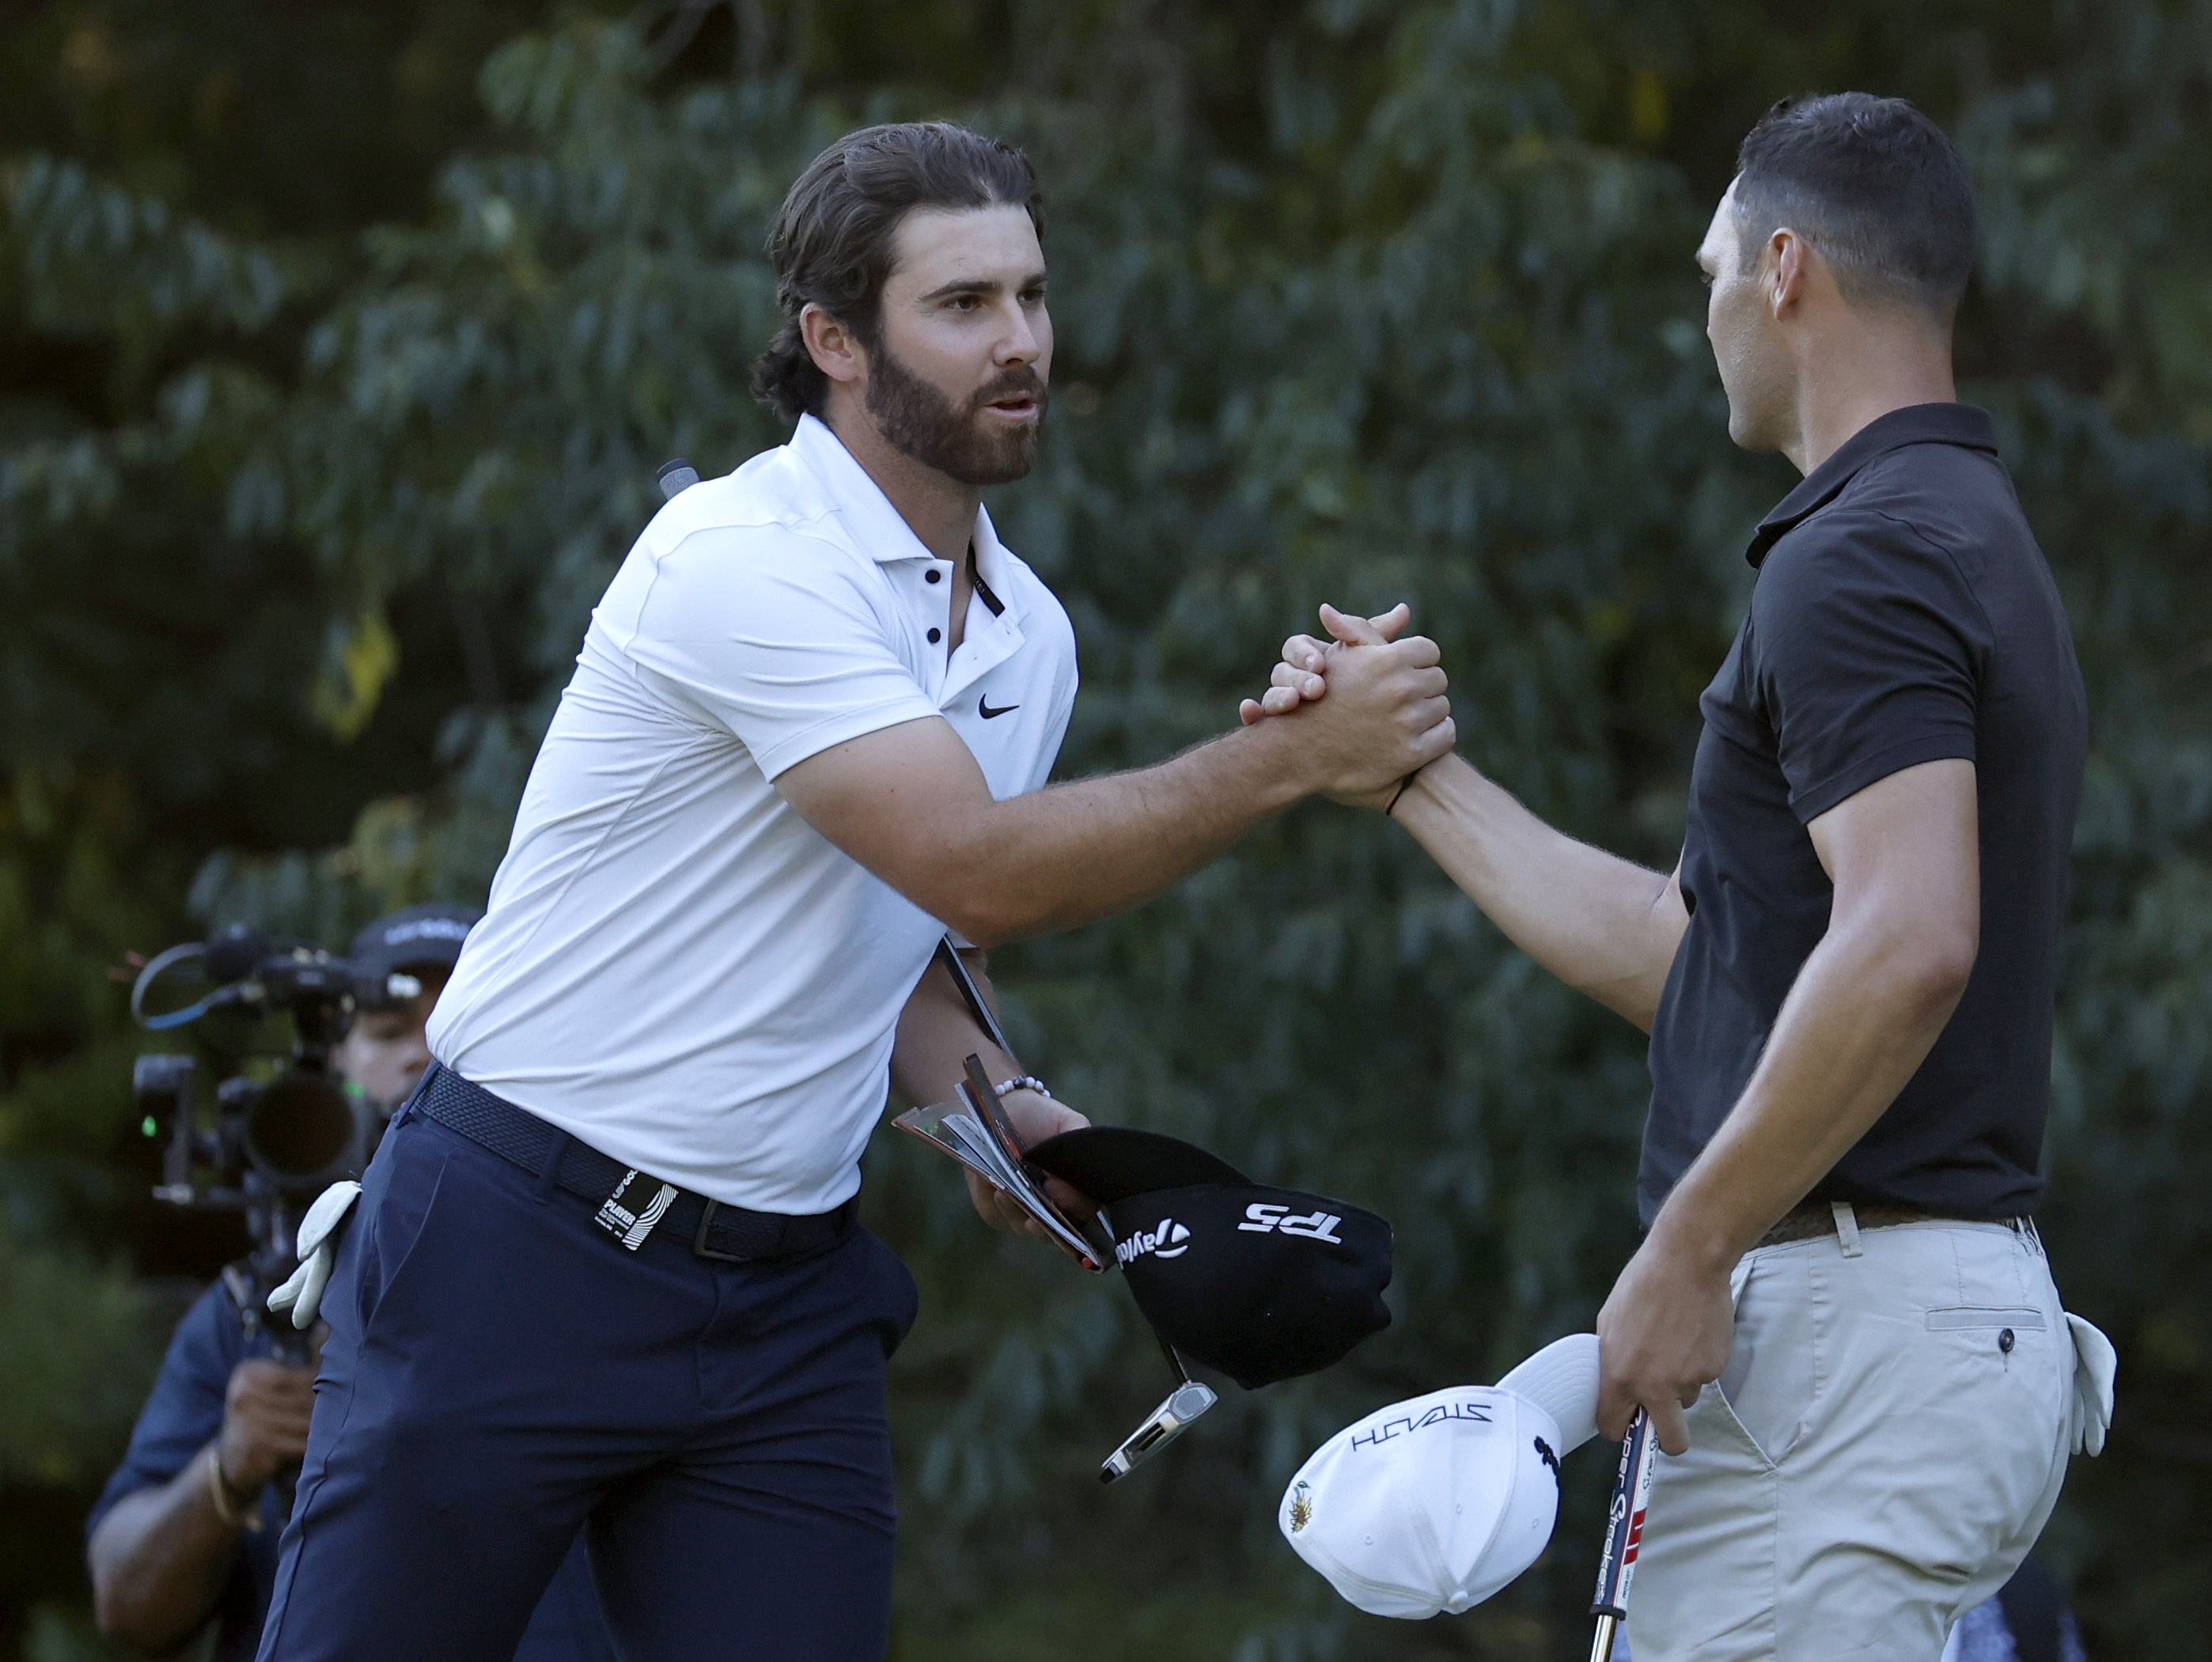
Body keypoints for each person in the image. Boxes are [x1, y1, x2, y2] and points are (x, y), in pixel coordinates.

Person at [252, 121, 1453, 1662]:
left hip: (780, 1302)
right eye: (962, 306)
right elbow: (975, 868)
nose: (1019, 341)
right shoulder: (737, 556)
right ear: (832, 340)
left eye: (1030, 294)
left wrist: (1003, 1110)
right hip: (511, 1251)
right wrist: (1294, 764)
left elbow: (909, 941)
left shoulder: (1032, 636)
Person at [1250, 95, 2090, 1659]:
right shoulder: (1950, 529)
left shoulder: (1865, 554)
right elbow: (1704, 960)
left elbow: (1910, 942)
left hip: (1846, 1342)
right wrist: (1414, 778)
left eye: (1708, 267)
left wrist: (1689, 1247)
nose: (1700, 308)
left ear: (1784, 269)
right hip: (1899, 1338)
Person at [88, 905, 614, 1662]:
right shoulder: (254, 1310)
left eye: (455, 1020)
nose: (421, 1058)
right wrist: (227, 1472)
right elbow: (124, 1605)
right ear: (334, 1064)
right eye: (391, 1031)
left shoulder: (615, 1278)